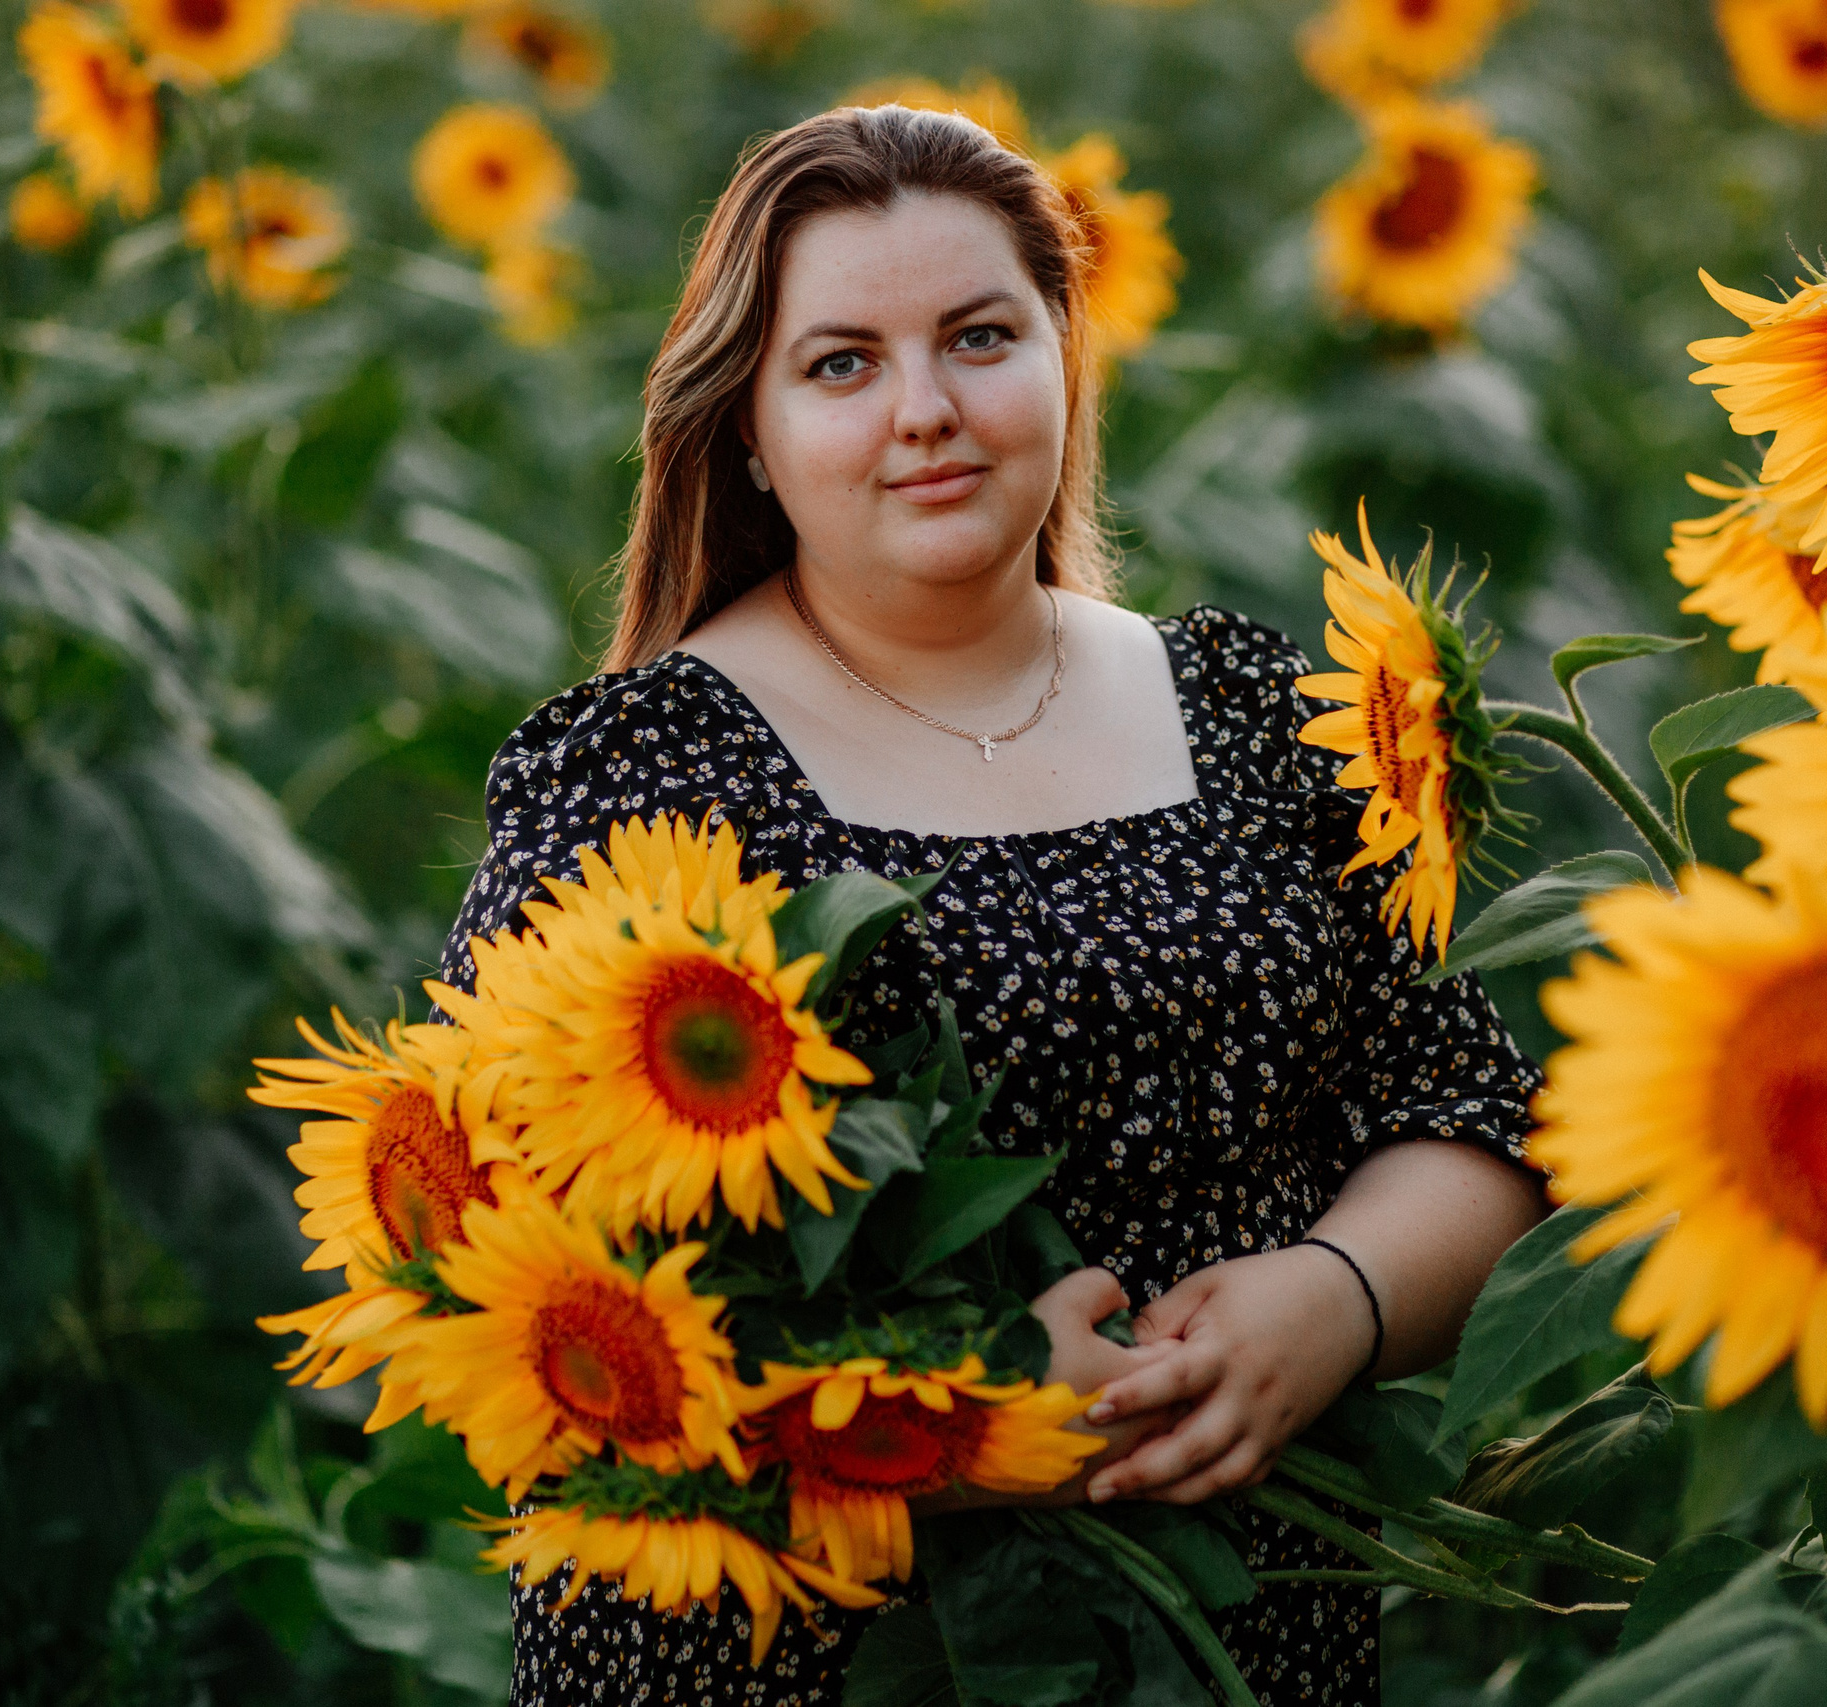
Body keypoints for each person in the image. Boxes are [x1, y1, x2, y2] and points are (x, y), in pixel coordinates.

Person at [434, 102, 1546, 1707]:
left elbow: (1472, 1110)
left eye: (978, 337)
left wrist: (1339, 1300)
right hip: (798, 1651)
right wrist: (958, 1421)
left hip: (1237, 1635)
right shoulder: (645, 769)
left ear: (1064, 357)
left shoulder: (1250, 707)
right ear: (747, 427)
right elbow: (502, 1280)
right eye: (842, 364)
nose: (927, 413)